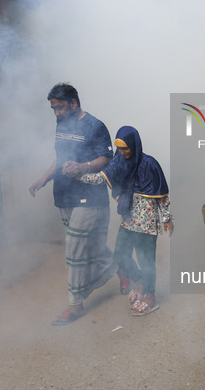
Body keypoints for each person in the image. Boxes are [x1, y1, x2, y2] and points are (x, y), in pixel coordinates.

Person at [29, 83, 117, 325]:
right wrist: (43, 179)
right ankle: (120, 267)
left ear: (73, 103)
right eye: (53, 109)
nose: (56, 113)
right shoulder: (61, 125)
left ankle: (75, 305)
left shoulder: (95, 125)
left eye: (59, 108)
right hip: (64, 195)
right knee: (89, 245)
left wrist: (83, 167)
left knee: (74, 247)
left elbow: (107, 157)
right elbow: (61, 157)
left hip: (90, 196)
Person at [64, 125, 173, 316]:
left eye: (126, 148)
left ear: (135, 144)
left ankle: (150, 297)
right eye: (120, 149)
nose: (123, 152)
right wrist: (79, 175)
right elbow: (100, 179)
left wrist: (166, 218)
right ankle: (139, 282)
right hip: (129, 218)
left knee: (146, 259)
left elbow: (161, 195)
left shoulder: (150, 164)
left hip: (147, 220)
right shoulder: (119, 161)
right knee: (120, 255)